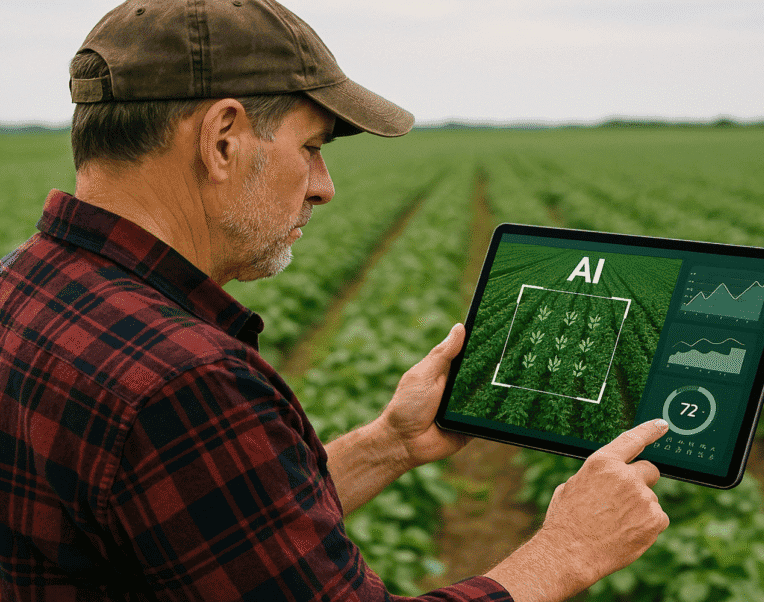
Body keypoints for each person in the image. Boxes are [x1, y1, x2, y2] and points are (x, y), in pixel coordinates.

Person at [0, 1, 670, 601]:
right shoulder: (185, 381)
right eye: (311, 147)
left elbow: (216, 532)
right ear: (222, 139)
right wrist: (567, 551)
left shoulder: (20, 286)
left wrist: (390, 444)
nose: (323, 186)